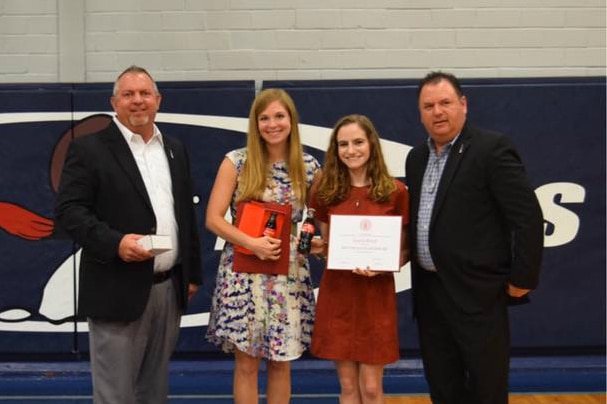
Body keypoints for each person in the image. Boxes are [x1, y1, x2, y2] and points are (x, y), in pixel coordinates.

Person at [54, 65, 202, 404]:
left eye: (144, 94)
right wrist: (115, 243)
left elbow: (185, 216)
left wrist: (191, 273)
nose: (138, 101)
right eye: (128, 94)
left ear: (158, 100)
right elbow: (69, 212)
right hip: (115, 289)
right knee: (115, 395)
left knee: (154, 392)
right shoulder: (89, 149)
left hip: (169, 290)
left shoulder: (175, 148)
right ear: (114, 102)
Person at [406, 71, 544, 404]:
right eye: (429, 106)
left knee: (487, 390)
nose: (438, 112)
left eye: (445, 103)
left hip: (479, 297)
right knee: (443, 387)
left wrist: (523, 279)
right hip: (430, 296)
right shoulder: (416, 158)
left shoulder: (491, 149)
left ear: (463, 105)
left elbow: (527, 217)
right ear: (420, 112)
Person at [205, 88, 321, 404]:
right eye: (265, 118)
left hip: (288, 278)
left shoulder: (309, 167)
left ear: (291, 120)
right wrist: (251, 243)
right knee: (246, 363)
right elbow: (214, 219)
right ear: (255, 124)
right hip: (244, 277)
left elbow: (317, 223)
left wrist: (318, 243)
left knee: (281, 363)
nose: (272, 124)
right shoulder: (236, 162)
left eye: (279, 116)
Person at [309, 114, 410, 404]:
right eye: (343, 144)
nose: (351, 150)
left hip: (374, 298)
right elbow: (329, 246)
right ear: (335, 150)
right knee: (348, 388)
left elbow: (403, 251)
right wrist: (319, 247)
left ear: (372, 145)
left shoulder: (395, 192)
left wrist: (384, 266)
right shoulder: (326, 191)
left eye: (358, 142)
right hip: (338, 294)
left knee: (371, 388)